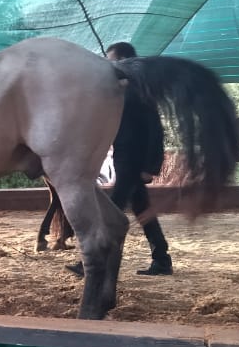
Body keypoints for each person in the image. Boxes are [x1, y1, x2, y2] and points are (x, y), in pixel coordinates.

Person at [69, 42, 171, 278]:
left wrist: (150, 166)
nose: (109, 64)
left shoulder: (140, 89)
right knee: (143, 210)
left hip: (133, 161)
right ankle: (162, 259)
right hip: (124, 158)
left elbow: (155, 129)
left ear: (124, 60)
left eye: (111, 60)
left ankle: (91, 263)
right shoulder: (123, 88)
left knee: (110, 212)